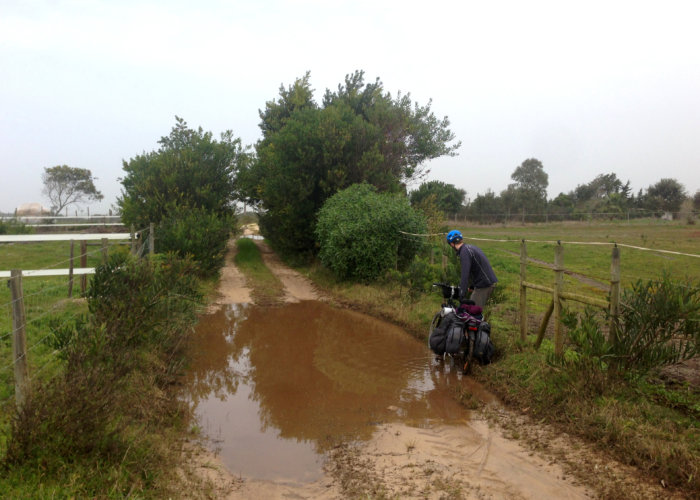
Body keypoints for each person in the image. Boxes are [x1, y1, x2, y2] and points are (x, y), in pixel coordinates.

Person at [446, 230, 498, 307]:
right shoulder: (470, 247)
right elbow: (476, 267)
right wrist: (472, 286)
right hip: (486, 282)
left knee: (473, 311)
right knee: (472, 310)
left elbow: (465, 274)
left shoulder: (464, 252)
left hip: (484, 285)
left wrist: (461, 293)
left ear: (451, 244)